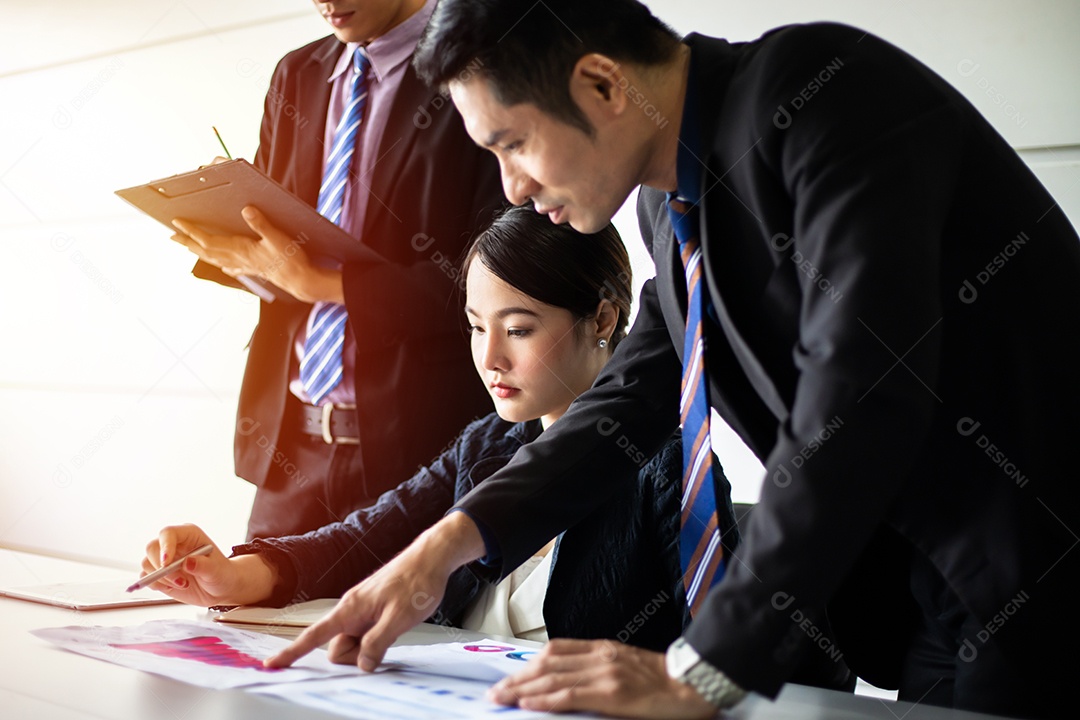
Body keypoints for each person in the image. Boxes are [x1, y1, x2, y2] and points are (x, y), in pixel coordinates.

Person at [261, 2, 1080, 719]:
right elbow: (626, 399)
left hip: (1038, 579)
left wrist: (706, 667)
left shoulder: (825, 96)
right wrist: (443, 549)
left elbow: (863, 389)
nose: (509, 187)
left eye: (512, 143)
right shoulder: (668, 205)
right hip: (929, 602)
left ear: (604, 86)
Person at [142, 206, 739, 651]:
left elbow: (730, 650)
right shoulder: (487, 444)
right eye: (478, 327)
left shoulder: (666, 462)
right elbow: (366, 540)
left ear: (603, 317)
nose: (490, 358)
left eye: (519, 329)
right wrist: (234, 574)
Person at [171, 0, 502, 539]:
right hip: (292, 446)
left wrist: (325, 284)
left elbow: (494, 274)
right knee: (250, 616)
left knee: (403, 625)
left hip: (417, 454)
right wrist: (232, 232)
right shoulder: (297, 74)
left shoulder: (476, 64)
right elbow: (282, 247)